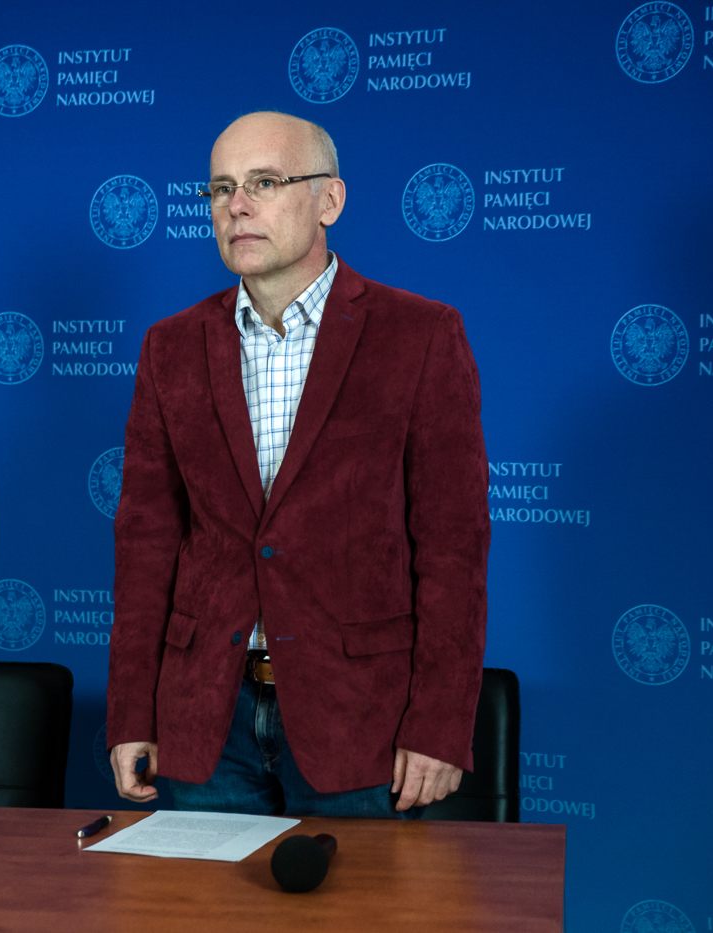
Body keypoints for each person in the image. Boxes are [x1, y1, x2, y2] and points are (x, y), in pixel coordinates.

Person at [106, 112, 489, 817]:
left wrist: (439, 724)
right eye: (221, 188)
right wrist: (132, 711)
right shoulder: (171, 346)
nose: (237, 205)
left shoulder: (420, 335)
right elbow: (146, 544)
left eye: (265, 182)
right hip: (205, 720)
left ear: (329, 200)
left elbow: (453, 548)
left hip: (362, 722)